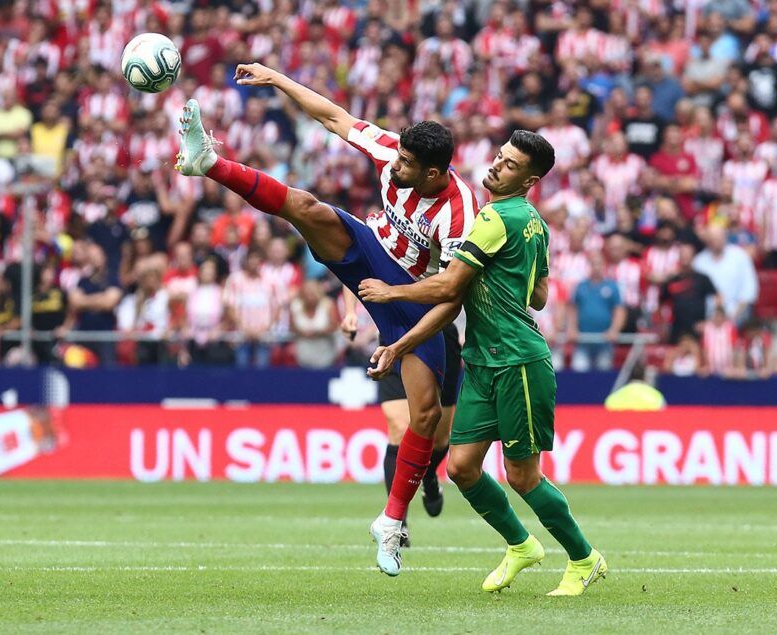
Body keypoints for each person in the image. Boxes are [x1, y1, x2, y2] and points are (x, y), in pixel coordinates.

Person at [176, 60, 477, 576]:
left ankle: (391, 521)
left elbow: (451, 293)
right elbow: (335, 118)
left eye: (405, 163)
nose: (393, 165)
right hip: (373, 254)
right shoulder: (392, 155)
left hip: (422, 299)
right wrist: (279, 79)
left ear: (434, 173)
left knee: (426, 419)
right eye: (396, 156)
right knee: (307, 208)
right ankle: (208, 162)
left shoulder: (461, 213)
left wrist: (396, 330)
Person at [358, 130, 606, 596]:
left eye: (510, 165)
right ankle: (521, 546)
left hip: (518, 362)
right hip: (483, 360)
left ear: (529, 180)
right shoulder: (534, 222)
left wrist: (391, 292)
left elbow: (450, 288)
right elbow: (539, 293)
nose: (496, 166)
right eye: (499, 157)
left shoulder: (492, 218)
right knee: (462, 466)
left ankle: (583, 558)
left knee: (522, 476)